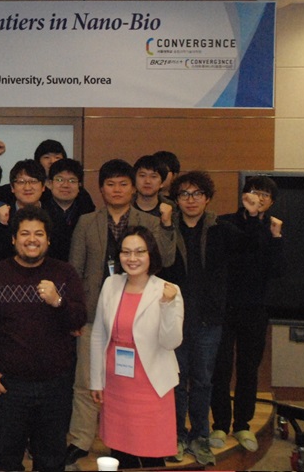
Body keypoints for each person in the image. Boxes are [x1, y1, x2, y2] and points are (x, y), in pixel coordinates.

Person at [65, 158, 176, 466]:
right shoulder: (87, 221)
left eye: (123, 184)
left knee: (134, 384)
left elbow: (166, 259)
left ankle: (133, 440)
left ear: (133, 188)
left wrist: (167, 225)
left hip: (139, 315)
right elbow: (74, 271)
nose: (116, 189)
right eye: (110, 184)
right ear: (101, 189)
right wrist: (75, 314)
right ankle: (80, 439)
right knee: (86, 381)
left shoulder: (149, 221)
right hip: (94, 314)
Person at [0, 205, 87, 472]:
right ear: (13, 239)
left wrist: (58, 301)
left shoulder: (65, 273)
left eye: (39, 234)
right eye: (24, 233)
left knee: (51, 460)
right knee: (5, 460)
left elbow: (79, 319)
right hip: (6, 388)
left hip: (55, 387)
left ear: (48, 240)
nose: (32, 239)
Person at [160, 170, 262, 465]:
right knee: (176, 382)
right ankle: (177, 436)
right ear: (176, 199)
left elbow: (252, 250)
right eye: (184, 194)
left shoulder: (221, 229)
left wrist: (252, 217)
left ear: (207, 198)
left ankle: (200, 437)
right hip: (174, 319)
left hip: (209, 320)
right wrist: (165, 227)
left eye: (197, 194)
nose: (191, 200)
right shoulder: (168, 227)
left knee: (204, 381)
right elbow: (159, 262)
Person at [90, 226, 184, 469]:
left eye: (140, 252)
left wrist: (167, 305)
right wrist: (96, 380)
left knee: (153, 455)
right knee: (121, 454)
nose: (132, 258)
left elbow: (171, 342)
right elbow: (99, 334)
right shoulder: (111, 284)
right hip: (116, 383)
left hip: (151, 384)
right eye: (126, 252)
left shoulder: (167, 290)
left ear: (151, 254)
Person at [209, 176, 284, 453]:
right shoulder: (225, 222)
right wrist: (252, 219)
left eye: (265, 195)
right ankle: (219, 423)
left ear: (272, 202)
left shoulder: (273, 228)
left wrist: (276, 238)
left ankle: (242, 424)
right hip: (225, 306)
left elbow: (276, 270)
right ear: (243, 195)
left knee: (248, 368)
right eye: (254, 192)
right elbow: (238, 255)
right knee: (221, 367)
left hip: (255, 308)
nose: (258, 198)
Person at [0, 159, 45, 268]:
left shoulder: (54, 217)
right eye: (21, 182)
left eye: (33, 181)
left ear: (43, 187)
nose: (27, 187)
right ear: (12, 188)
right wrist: (2, 225)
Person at [45, 158, 95, 262]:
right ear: (49, 184)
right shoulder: (40, 212)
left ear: (79, 186)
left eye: (72, 181)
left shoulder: (89, 214)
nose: (65, 185)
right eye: (59, 180)